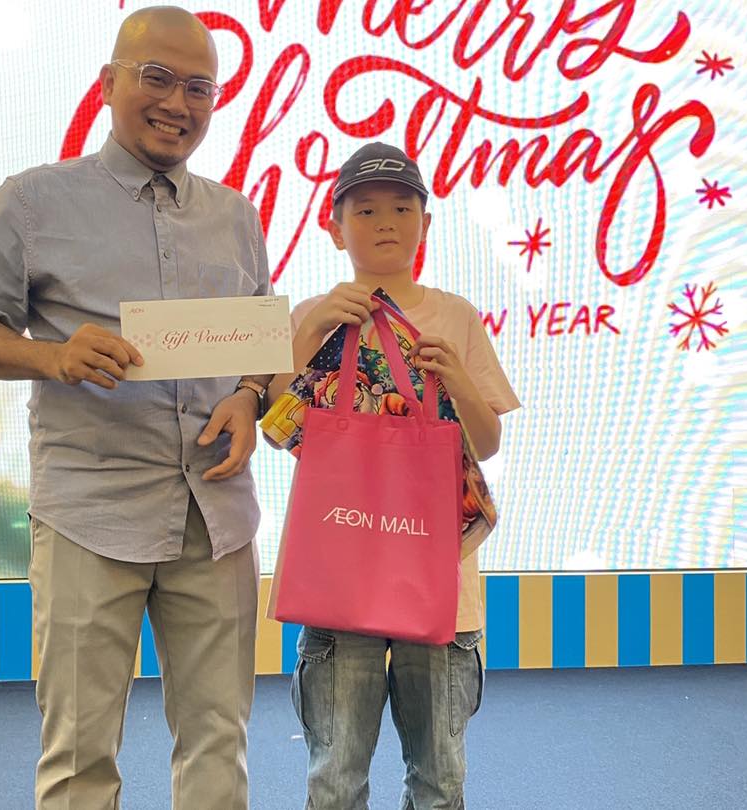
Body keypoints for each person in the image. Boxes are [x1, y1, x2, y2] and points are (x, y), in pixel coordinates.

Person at [0, 7, 272, 809]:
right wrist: (51, 356)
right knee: (82, 755)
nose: (177, 103)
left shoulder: (235, 215)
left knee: (218, 745)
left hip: (215, 517)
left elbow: (263, 344)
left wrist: (252, 398)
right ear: (108, 84)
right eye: (155, 77)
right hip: (90, 511)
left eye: (200, 87)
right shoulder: (33, 201)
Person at [272, 142, 520, 809]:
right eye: (366, 209)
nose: (386, 221)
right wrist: (316, 325)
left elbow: (488, 444)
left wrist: (459, 379)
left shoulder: (456, 316)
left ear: (427, 223)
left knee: (440, 782)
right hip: (339, 585)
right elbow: (276, 424)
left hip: (438, 586)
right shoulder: (311, 315)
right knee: (334, 779)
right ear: (334, 225)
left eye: (403, 207)